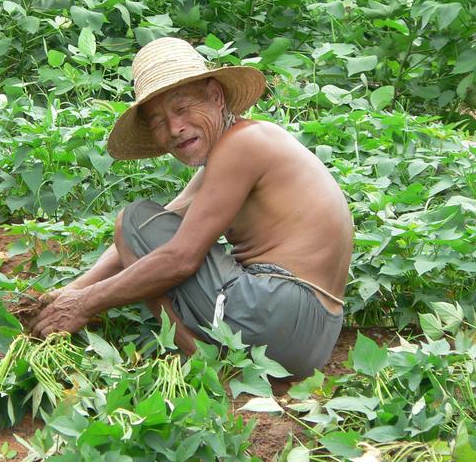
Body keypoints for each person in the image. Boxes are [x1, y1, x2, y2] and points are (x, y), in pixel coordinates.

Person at [31, 37, 353, 390]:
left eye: (182, 109)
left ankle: (197, 355)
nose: (174, 128)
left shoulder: (242, 145)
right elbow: (142, 237)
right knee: (137, 226)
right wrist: (67, 294)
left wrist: (85, 304)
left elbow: (177, 256)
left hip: (278, 312)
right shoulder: (241, 147)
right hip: (312, 340)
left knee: (133, 217)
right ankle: (212, 358)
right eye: (159, 121)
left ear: (216, 97)